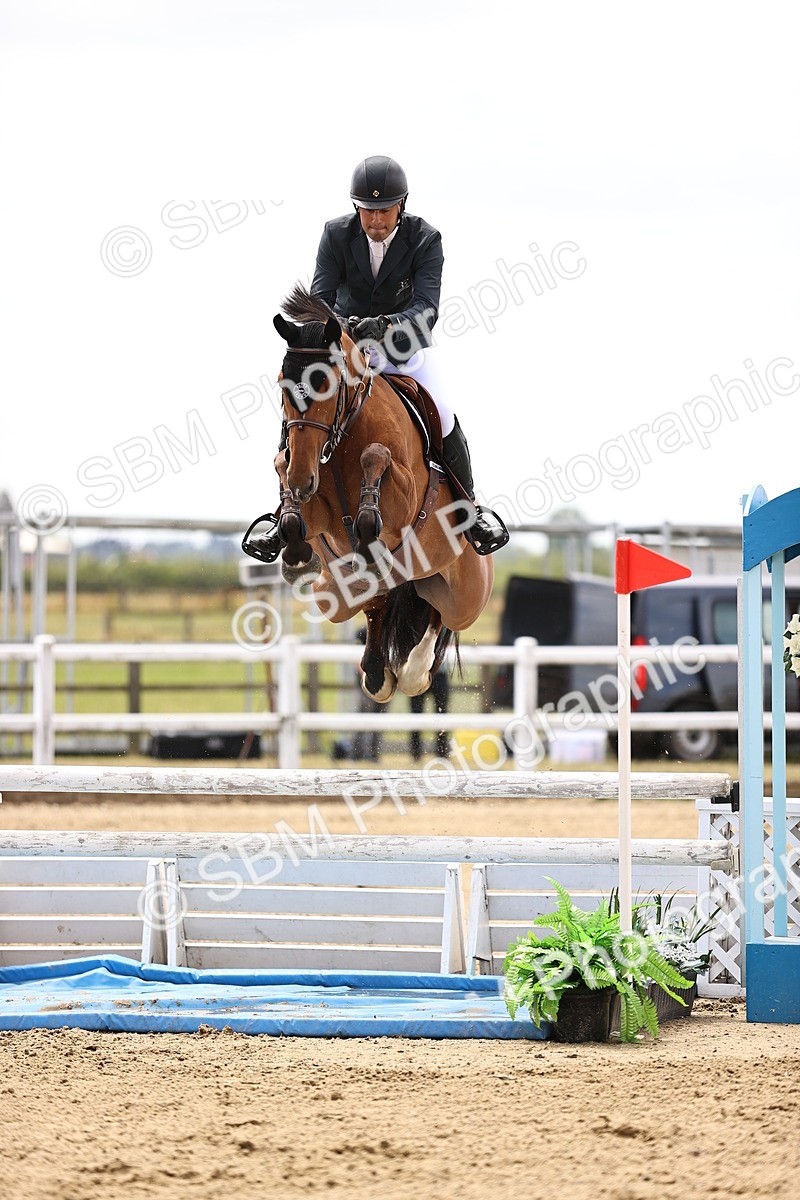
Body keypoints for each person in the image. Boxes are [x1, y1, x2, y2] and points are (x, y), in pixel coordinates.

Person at [244, 155, 509, 562]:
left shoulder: (425, 239)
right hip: (346, 349)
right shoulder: (335, 235)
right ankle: (285, 511)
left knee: (442, 411)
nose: (376, 219)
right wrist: (345, 326)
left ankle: (471, 508)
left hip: (401, 350)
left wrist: (385, 325)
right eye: (368, 210)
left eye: (385, 210)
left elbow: (427, 310)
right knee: (301, 401)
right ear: (357, 208)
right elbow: (319, 301)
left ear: (401, 205)